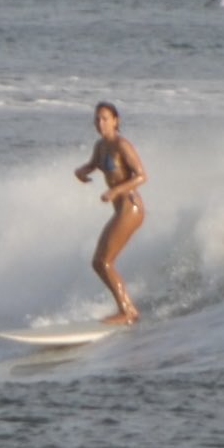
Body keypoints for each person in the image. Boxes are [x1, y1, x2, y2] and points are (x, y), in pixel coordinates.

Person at [74, 102, 147, 325]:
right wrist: (81, 171)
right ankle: (127, 309)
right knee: (100, 262)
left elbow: (142, 176)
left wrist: (115, 191)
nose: (100, 123)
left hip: (131, 208)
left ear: (116, 121)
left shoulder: (122, 145)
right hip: (121, 210)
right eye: (97, 119)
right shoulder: (100, 146)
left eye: (105, 118)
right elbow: (93, 164)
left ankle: (128, 311)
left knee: (103, 262)